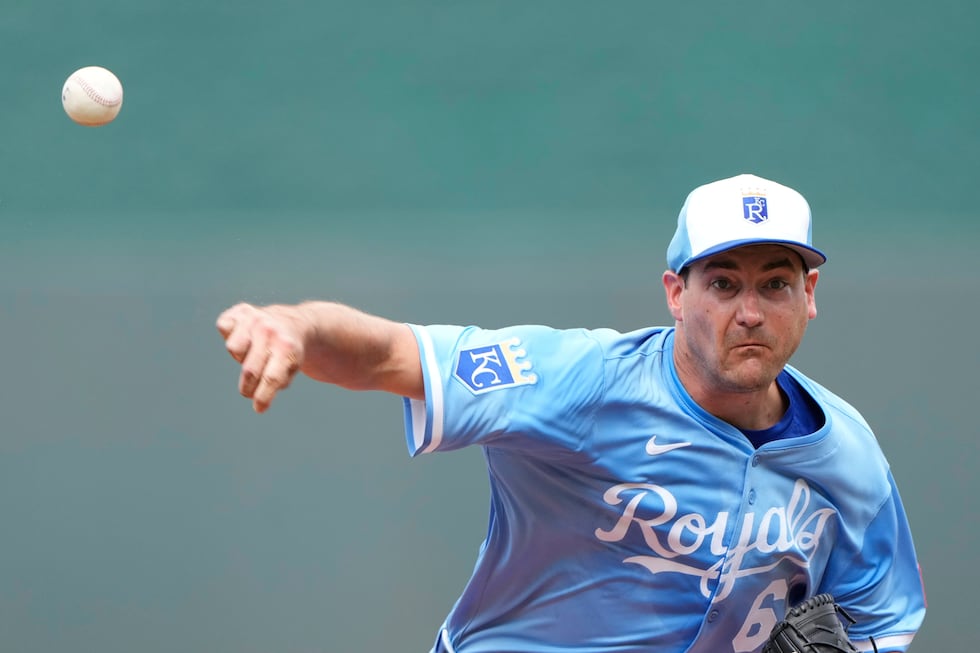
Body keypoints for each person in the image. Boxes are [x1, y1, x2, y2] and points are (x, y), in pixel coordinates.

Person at [215, 173, 926, 653]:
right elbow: (392, 356)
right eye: (722, 282)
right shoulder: (582, 382)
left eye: (775, 283)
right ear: (676, 294)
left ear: (809, 295)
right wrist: (299, 327)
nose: (748, 311)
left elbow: (881, 616)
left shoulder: (847, 456)